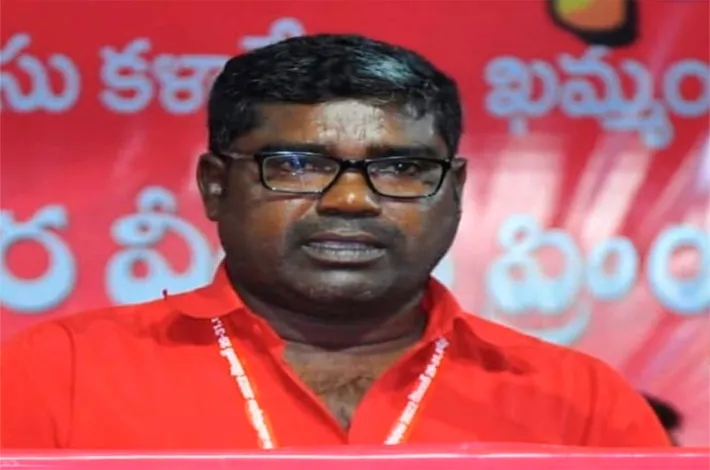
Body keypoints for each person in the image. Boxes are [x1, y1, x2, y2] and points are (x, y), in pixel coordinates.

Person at [0, 34, 670, 450]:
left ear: (455, 190)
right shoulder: (53, 376)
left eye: (402, 167)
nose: (350, 200)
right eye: (296, 165)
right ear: (215, 186)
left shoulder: (581, 400)